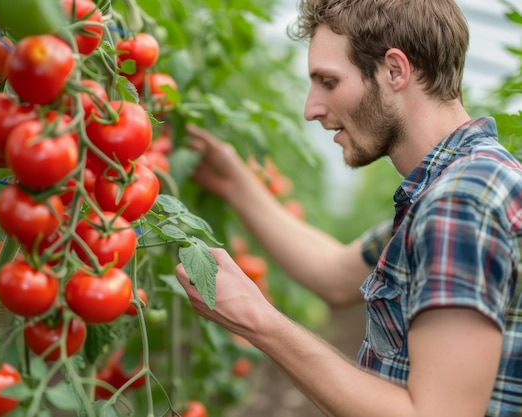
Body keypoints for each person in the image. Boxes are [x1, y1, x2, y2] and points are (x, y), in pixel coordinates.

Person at [174, 0, 522, 416]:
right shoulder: (450, 186)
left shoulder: (460, 201)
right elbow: (335, 272)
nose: (311, 109)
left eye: (329, 81)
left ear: (395, 70)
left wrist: (257, 320)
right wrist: (234, 182)